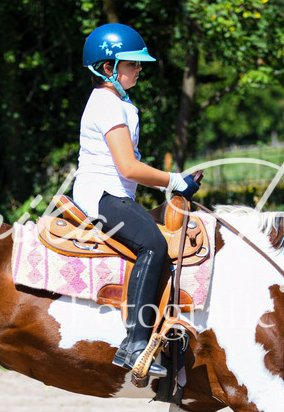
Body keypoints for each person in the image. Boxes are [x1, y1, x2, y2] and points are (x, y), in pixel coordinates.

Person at [72, 23, 202, 375]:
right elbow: (128, 168)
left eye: (139, 64)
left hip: (114, 192)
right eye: (132, 64)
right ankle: (134, 345)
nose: (139, 69)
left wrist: (170, 185)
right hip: (101, 195)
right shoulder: (107, 104)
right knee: (154, 246)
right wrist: (175, 181)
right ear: (107, 68)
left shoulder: (119, 102)